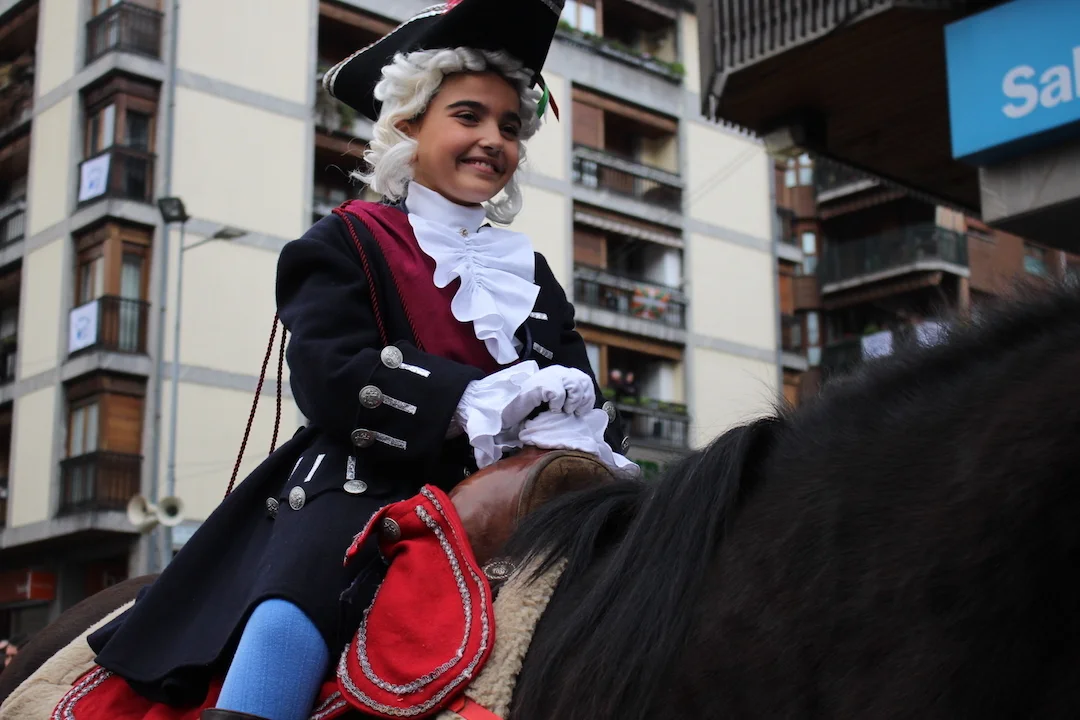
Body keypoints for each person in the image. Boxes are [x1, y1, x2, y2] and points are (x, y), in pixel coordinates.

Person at [85, 2, 634, 719]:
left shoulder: (529, 270)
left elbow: (579, 390)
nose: (492, 140)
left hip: (521, 503)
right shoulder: (343, 239)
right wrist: (468, 400)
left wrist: (586, 433)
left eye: (508, 126)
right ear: (407, 126)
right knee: (290, 625)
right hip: (362, 488)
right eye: (468, 116)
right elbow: (330, 374)